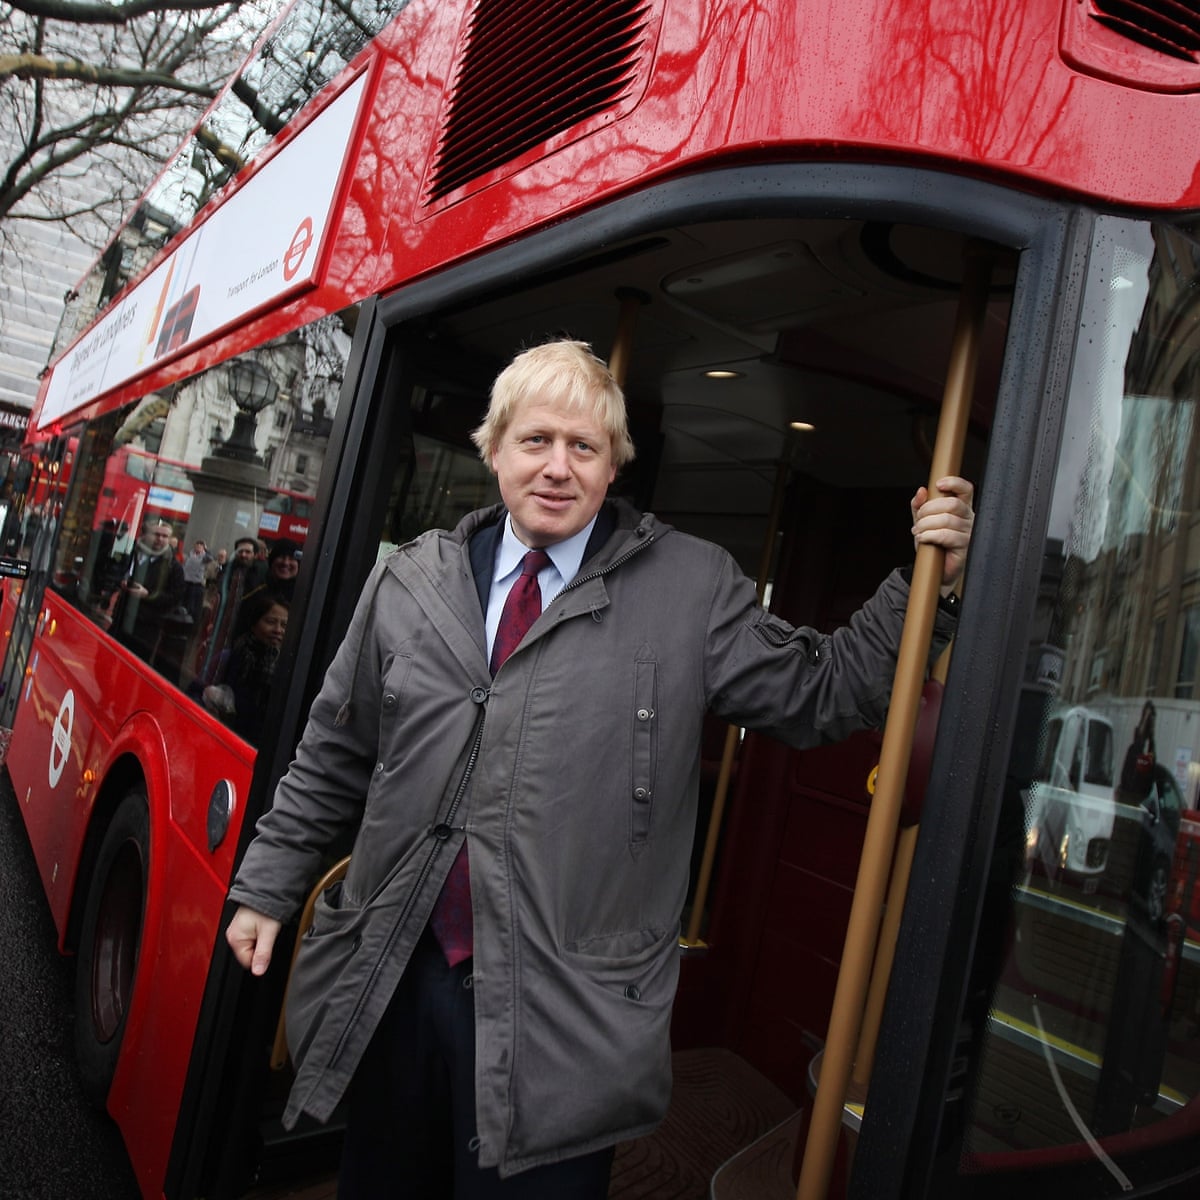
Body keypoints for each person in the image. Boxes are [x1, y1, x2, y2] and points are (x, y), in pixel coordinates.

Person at [225, 339, 975, 1198]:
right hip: (397, 983)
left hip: (564, 1027)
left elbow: (821, 693)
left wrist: (930, 589)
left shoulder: (691, 587)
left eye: (583, 447)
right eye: (536, 440)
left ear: (614, 465)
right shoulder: (411, 583)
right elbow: (335, 752)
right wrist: (267, 886)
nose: (557, 467)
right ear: (495, 447)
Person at [203, 593, 289, 746]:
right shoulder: (229, 657)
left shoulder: (287, 670)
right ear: (254, 623)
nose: (278, 630)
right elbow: (197, 691)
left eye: (284, 625)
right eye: (270, 622)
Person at [105, 517, 187, 667]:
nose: (160, 539)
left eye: (165, 536)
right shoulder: (133, 552)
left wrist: (147, 595)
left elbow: (175, 598)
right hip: (121, 620)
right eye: (156, 534)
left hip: (146, 630)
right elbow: (115, 570)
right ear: (147, 535)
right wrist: (121, 581)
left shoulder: (174, 567)